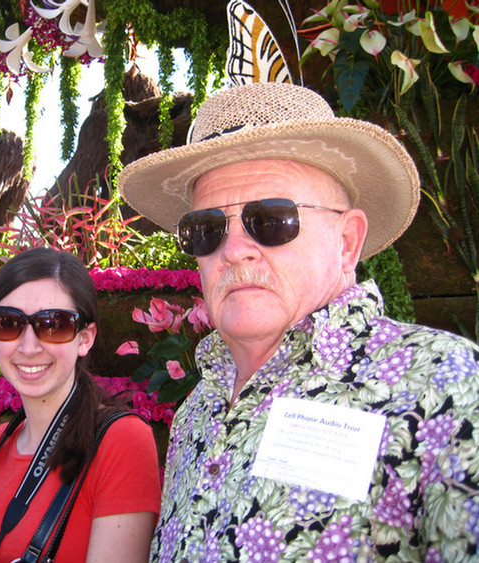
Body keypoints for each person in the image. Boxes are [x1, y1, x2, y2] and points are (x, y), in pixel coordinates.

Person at [118, 82, 479, 562]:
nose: (234, 248)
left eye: (270, 219)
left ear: (347, 242)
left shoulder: (447, 384)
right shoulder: (196, 410)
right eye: (206, 229)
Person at [0, 247, 161, 563]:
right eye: (8, 322)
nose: (29, 347)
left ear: (85, 338)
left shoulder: (120, 441)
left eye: (54, 323)